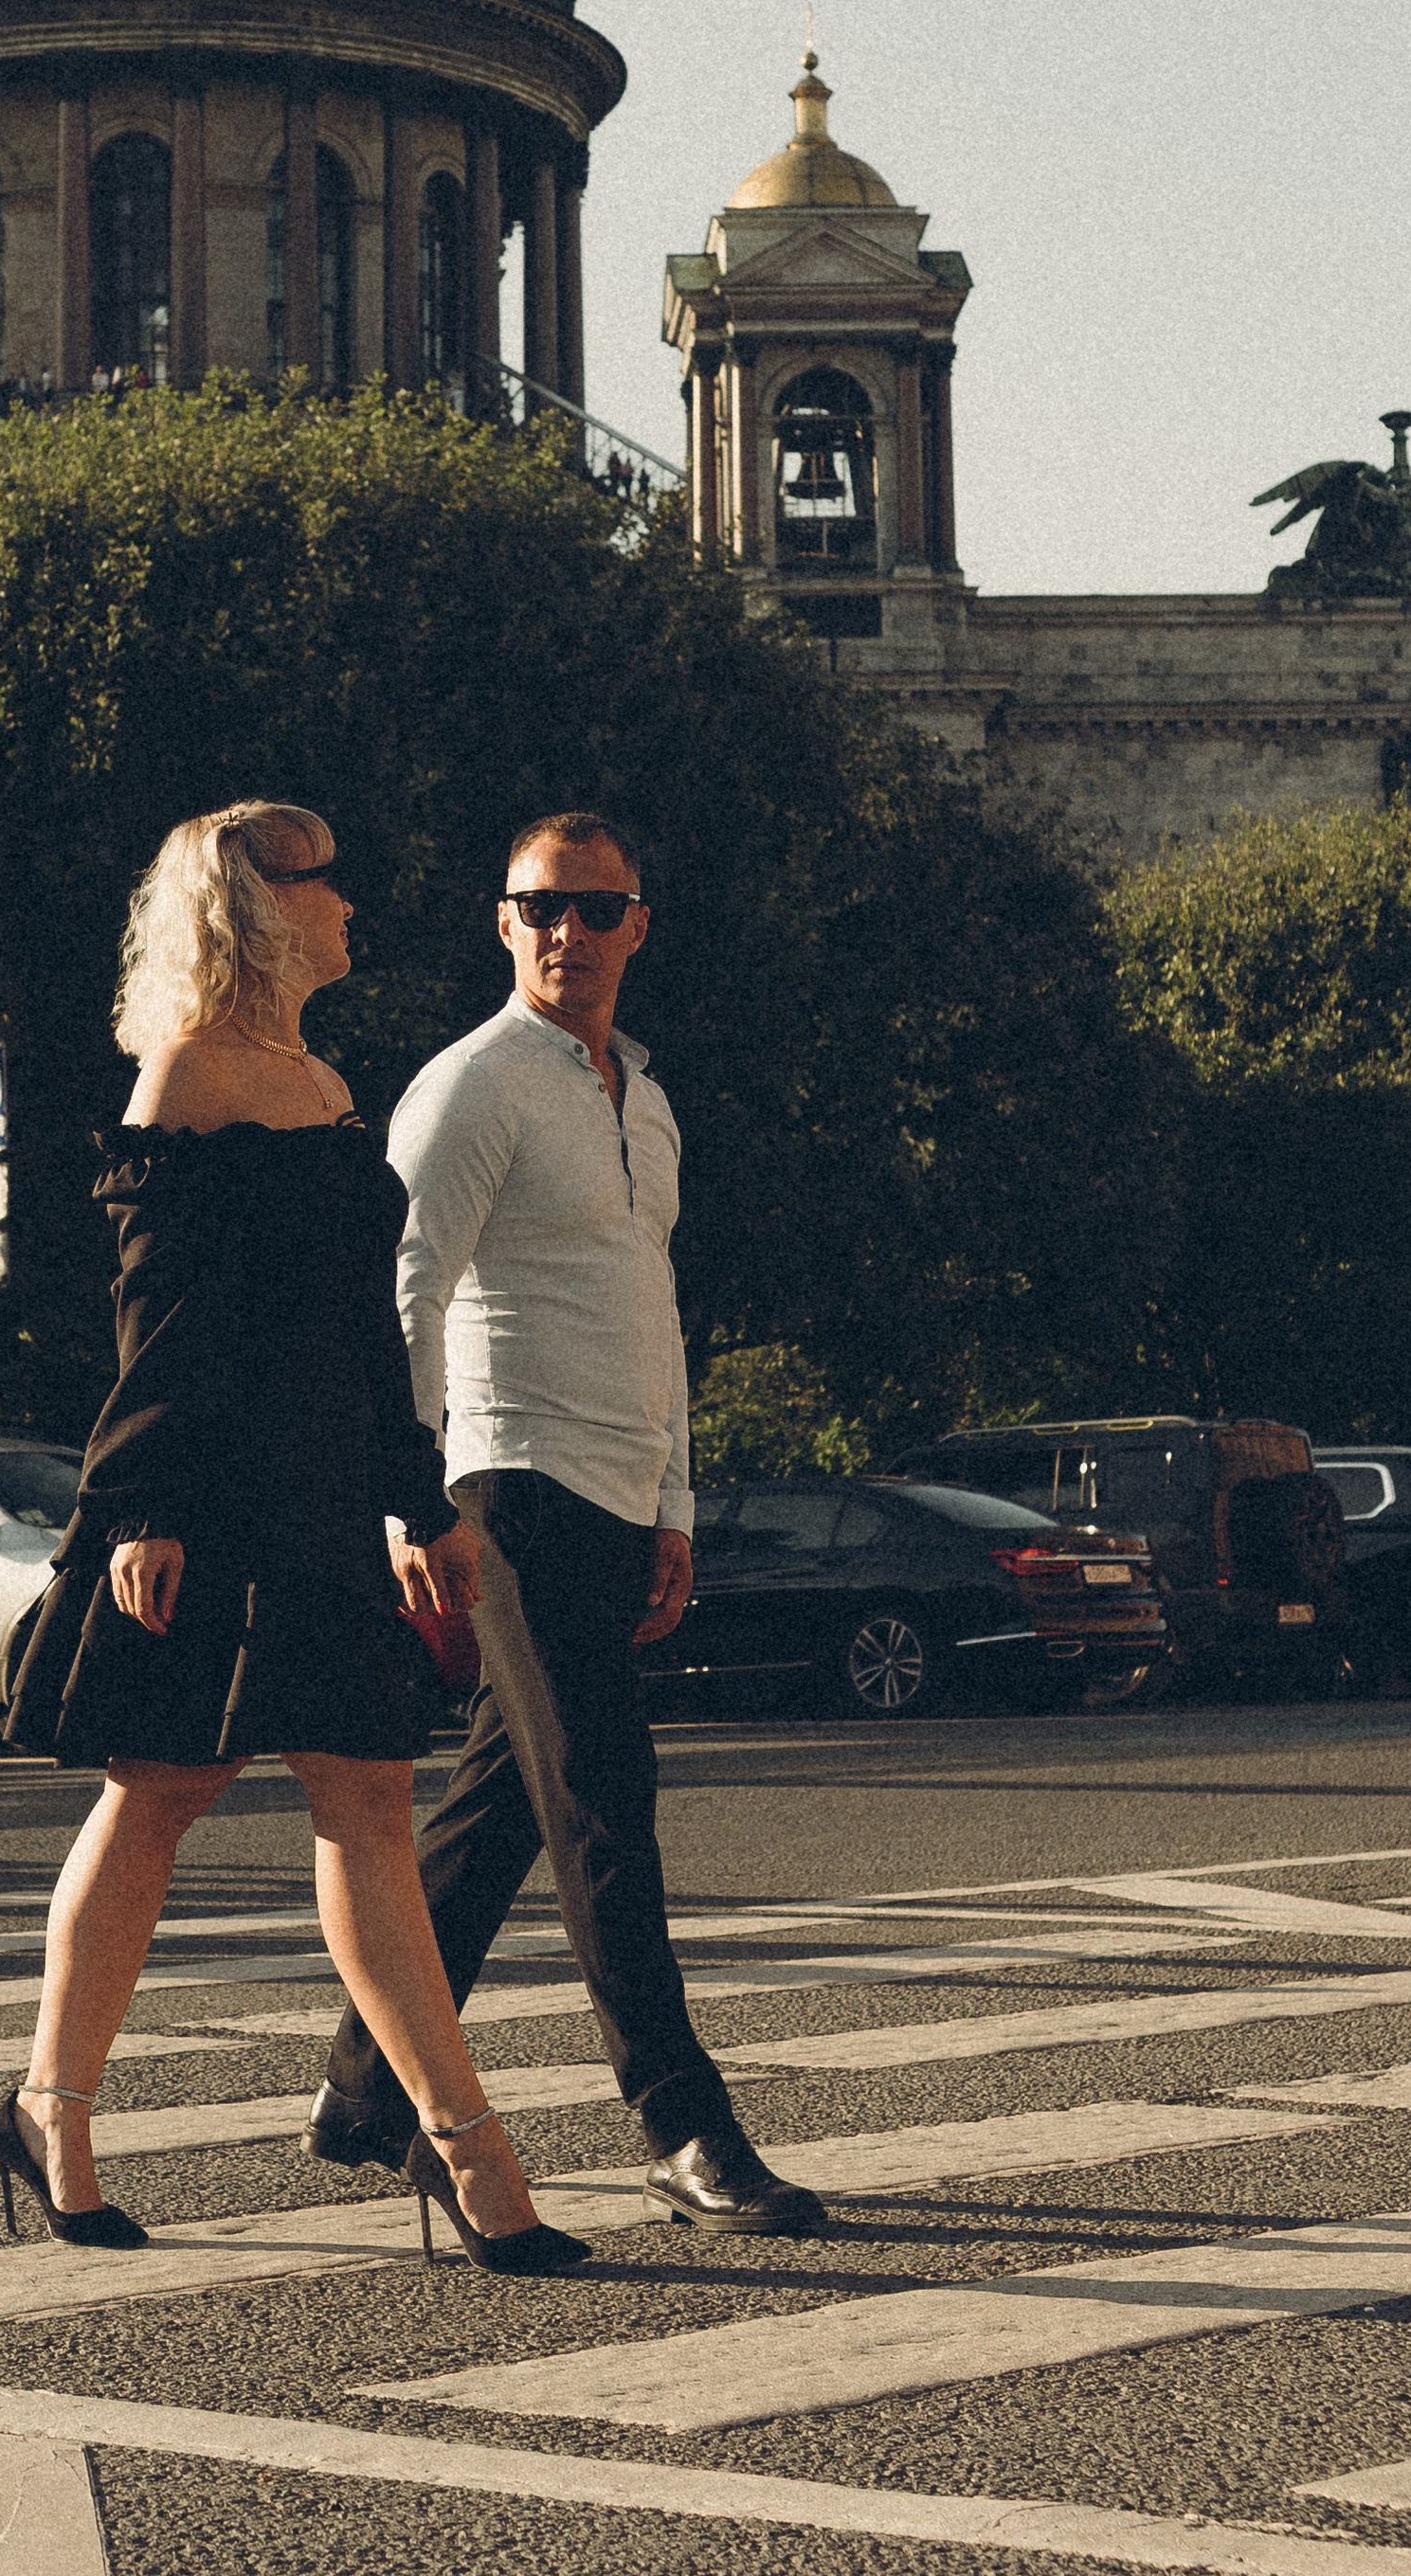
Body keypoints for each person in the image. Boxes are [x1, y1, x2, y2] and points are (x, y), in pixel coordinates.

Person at [0, 801, 583, 2277]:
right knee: (159, 1799)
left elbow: (351, 1332)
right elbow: (163, 1326)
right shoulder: (187, 1076)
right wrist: (146, 1509)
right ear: (259, 907)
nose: (351, 905)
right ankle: (51, 2117)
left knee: (371, 1805)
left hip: (324, 1499)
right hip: (211, 1503)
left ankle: (465, 2151)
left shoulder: (318, 1081)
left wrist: (419, 1497)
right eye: (325, 885)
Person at [307, 810, 825, 2236]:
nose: (568, 933)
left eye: (597, 909)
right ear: (503, 921)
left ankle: (363, 2093)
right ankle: (681, 2121)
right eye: (542, 906)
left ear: (637, 924)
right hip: (505, 1476)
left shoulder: (638, 1093)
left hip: (611, 1484)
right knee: (604, 1796)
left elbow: (647, 1309)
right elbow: (402, 1291)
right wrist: (410, 1495)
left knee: (494, 1812)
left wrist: (672, 1504)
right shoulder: (474, 1084)